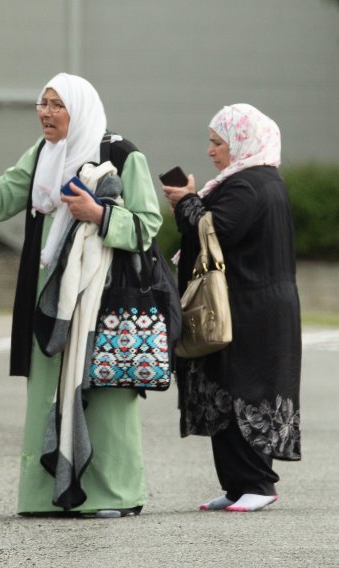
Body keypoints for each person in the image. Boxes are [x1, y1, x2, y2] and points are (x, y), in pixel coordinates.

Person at [0, 73, 162, 517]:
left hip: (103, 298)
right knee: (49, 390)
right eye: (42, 103)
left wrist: (99, 214)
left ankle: (116, 495)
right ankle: (45, 494)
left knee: (106, 391)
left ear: (80, 108)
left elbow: (148, 224)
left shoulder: (122, 155)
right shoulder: (42, 155)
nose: (46, 113)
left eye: (57, 104)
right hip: (49, 296)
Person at [162, 103, 301, 513]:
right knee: (223, 388)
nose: (211, 151)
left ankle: (258, 482)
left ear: (241, 142)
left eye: (217, 142)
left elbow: (214, 230)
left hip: (253, 308)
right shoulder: (245, 181)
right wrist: (188, 203)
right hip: (243, 302)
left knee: (248, 389)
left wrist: (187, 201)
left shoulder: (252, 184)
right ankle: (238, 485)